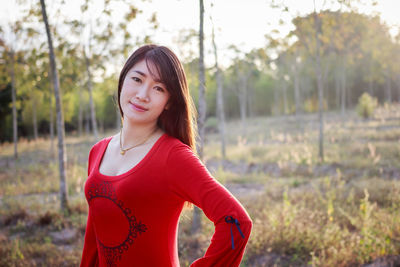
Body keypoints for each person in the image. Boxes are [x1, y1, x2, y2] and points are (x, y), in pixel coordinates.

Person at [80, 44, 252, 267]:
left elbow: (237, 221)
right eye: (137, 80)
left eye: (158, 88)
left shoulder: (173, 156)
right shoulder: (98, 151)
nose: (143, 95)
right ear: (123, 80)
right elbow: (96, 233)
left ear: (169, 101)